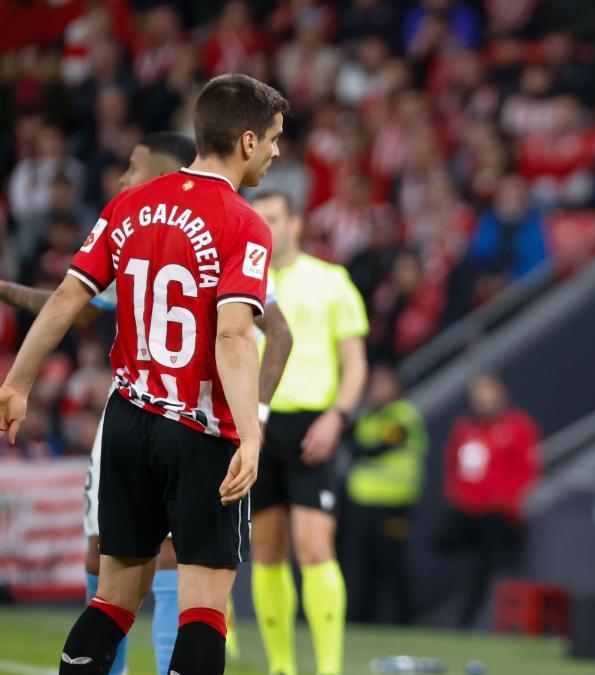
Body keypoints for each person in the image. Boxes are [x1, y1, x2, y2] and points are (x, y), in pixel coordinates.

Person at [0, 72, 287, 674]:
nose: (278, 151)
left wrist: (17, 383)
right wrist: (253, 434)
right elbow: (235, 333)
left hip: (128, 421)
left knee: (112, 599)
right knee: (204, 606)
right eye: (274, 138)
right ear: (246, 142)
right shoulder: (245, 224)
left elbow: (64, 302)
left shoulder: (129, 204)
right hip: (201, 430)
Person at [250, 190, 368, 675]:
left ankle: (329, 667)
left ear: (296, 223)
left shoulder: (332, 281)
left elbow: (356, 365)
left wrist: (337, 416)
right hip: (257, 421)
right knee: (267, 549)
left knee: (315, 546)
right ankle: (281, 666)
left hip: (311, 423)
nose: (267, 228)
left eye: (275, 218)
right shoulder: (243, 281)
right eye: (259, 220)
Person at [437, 373, 542, 628]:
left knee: (490, 563)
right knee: (442, 542)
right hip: (466, 510)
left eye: (487, 392)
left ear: (501, 394)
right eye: (477, 393)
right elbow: (452, 465)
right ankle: (465, 614)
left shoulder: (517, 426)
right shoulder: (465, 427)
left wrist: (504, 499)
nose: (481, 399)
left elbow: (527, 469)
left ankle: (478, 620)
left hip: (498, 513)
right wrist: (456, 494)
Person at [339, 364, 428, 624]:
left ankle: (404, 620)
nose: (376, 390)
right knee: (361, 565)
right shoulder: (369, 416)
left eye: (383, 384)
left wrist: (349, 437)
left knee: (393, 565)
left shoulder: (404, 416)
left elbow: (373, 449)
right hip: (362, 505)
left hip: (393, 505)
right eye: (374, 384)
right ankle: (362, 619)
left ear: (397, 387)